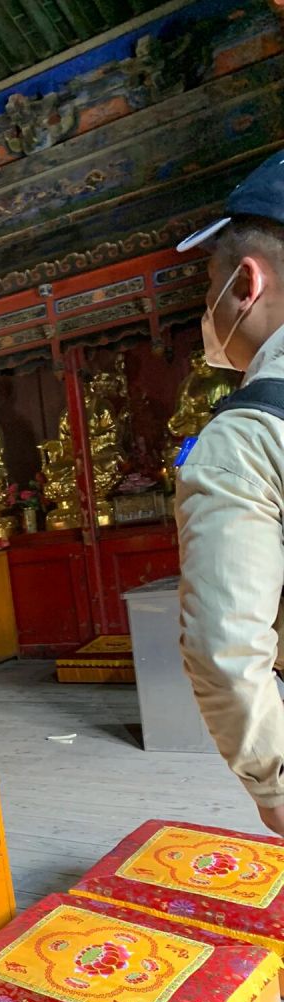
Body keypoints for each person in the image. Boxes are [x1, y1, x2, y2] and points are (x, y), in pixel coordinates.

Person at [175, 149, 284, 835]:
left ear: (245, 281)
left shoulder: (247, 434)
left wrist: (273, 785)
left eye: (207, 286)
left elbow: (223, 645)